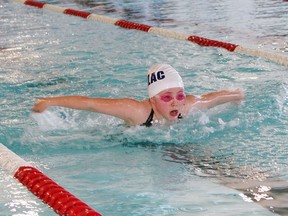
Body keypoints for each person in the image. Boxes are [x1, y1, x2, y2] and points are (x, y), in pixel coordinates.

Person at [32, 64, 244, 126]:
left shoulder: (187, 105)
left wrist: (237, 95)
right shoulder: (136, 111)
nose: (176, 102)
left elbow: (214, 97)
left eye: (179, 95)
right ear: (152, 99)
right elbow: (91, 104)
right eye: (166, 96)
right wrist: (50, 101)